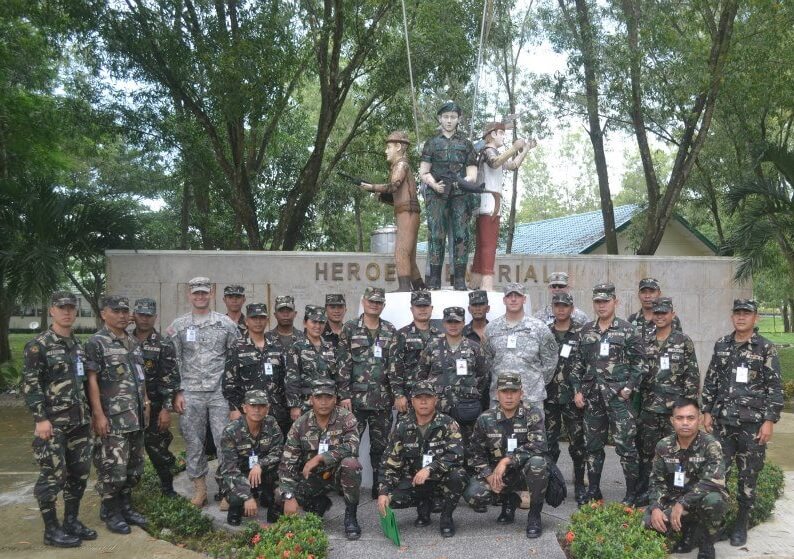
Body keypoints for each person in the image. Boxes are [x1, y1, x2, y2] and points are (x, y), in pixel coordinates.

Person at [702, 298, 783, 547]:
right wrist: (706, 410)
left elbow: (775, 388)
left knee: (748, 478)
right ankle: (721, 522)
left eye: (746, 313)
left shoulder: (765, 348)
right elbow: (711, 379)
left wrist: (769, 420)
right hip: (723, 423)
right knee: (719, 476)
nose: (741, 317)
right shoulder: (722, 344)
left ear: (755, 318)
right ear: (732, 316)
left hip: (752, 425)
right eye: (737, 313)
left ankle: (741, 524)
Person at [22, 291, 96, 548]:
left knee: (79, 473)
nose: (67, 312)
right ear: (51, 310)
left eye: (71, 308)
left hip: (80, 422)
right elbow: (31, 386)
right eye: (61, 307)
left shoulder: (77, 345)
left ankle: (71, 521)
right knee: (52, 476)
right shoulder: (38, 345)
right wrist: (40, 418)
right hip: (53, 424)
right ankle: (51, 529)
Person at [570, 282, 647, 505]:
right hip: (592, 399)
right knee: (593, 447)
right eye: (598, 301)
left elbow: (640, 365)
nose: (601, 305)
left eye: (606, 301)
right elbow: (576, 364)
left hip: (618, 400)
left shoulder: (628, 330)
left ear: (615, 301)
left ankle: (631, 494)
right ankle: (594, 491)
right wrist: (577, 391)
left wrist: (628, 389)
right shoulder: (586, 331)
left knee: (626, 448)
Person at [166, 277, 240, 507]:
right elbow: (174, 361)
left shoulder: (226, 324)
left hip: (219, 393)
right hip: (191, 394)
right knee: (194, 442)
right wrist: (177, 392)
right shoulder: (178, 326)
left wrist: (234, 398)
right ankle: (199, 489)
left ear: (211, 294)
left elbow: (234, 360)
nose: (200, 297)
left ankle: (226, 490)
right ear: (189, 295)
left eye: (204, 293)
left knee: (224, 442)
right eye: (196, 293)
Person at [84, 295, 149, 534]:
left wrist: (146, 400)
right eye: (116, 311)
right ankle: (111, 511)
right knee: (113, 469)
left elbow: (139, 376)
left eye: (125, 310)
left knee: (134, 468)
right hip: (113, 419)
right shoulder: (96, 343)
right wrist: (98, 414)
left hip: (136, 417)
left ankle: (125, 506)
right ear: (103, 314)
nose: (123, 315)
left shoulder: (132, 341)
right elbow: (91, 380)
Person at [377, 380, 467, 538]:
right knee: (392, 499)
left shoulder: (448, 424)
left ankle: (446, 517)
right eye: (419, 397)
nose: (423, 401)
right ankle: (423, 506)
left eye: (428, 397)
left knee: (458, 475)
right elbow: (389, 462)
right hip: (414, 481)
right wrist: (383, 492)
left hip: (440, 479)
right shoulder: (402, 426)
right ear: (412, 401)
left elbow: (456, 455)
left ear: (436, 400)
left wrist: (430, 468)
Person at [464, 372, 548, 538]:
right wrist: (488, 476)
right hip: (498, 475)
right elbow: (475, 455)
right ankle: (509, 501)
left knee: (538, 463)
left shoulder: (532, 413)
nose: (509, 396)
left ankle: (534, 516)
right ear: (497, 394)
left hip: (525, 472)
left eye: (513, 391)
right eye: (504, 391)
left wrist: (507, 460)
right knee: (474, 494)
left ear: (521, 393)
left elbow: (539, 445)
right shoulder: (485, 418)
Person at [644, 398, 728, 559]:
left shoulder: (710, 445)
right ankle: (688, 533)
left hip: (701, 499)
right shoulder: (664, 445)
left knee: (714, 502)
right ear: (672, 420)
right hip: (675, 499)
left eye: (690, 418)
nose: (685, 423)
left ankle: (707, 543)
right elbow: (656, 481)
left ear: (700, 420)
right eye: (679, 418)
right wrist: (655, 508)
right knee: (648, 524)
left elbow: (713, 481)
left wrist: (683, 503)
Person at [279, 379, 362, 540]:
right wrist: (288, 496)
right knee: (279, 497)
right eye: (319, 398)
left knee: (351, 464)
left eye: (328, 397)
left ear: (335, 399)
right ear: (311, 399)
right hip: (312, 477)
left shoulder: (346, 417)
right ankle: (318, 503)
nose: (323, 402)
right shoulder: (300, 424)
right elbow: (287, 463)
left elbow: (352, 446)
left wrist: (320, 457)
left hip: (338, 475)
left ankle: (351, 516)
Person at [635, 297, 699, 506]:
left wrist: (687, 410)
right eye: (657, 313)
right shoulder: (644, 340)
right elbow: (638, 373)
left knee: (677, 453)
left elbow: (692, 376)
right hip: (650, 407)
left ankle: (677, 492)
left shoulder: (683, 341)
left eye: (664, 313)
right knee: (648, 452)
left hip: (675, 411)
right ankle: (648, 491)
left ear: (673, 314)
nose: (660, 316)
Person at [336, 286, 398, 501]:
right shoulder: (350, 328)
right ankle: (349, 486)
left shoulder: (390, 330)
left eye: (379, 302)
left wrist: (397, 394)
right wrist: (343, 395)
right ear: (363, 302)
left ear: (383, 305)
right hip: (355, 401)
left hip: (382, 401)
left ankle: (378, 487)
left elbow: (394, 366)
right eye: (371, 301)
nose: (375, 304)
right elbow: (342, 364)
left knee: (380, 447)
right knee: (351, 445)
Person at [419, 100, 479, 290]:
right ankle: (435, 279)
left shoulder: (466, 144)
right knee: (436, 234)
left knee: (461, 234)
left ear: (459, 119)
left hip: (460, 194)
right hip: (437, 194)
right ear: (440, 118)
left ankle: (460, 279)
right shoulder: (431, 143)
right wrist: (434, 185)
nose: (449, 121)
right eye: (446, 117)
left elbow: (472, 173)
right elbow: (423, 171)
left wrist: (464, 182)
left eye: (453, 117)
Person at [470, 121, 533, 291]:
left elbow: (512, 165)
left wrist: (525, 149)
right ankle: (486, 284)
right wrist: (514, 148)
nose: (503, 136)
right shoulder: (488, 151)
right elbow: (495, 162)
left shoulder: (494, 152)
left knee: (483, 244)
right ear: (493, 134)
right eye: (501, 133)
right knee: (488, 245)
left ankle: (476, 281)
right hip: (488, 201)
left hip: (491, 201)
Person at [361, 131, 424, 291]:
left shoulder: (401, 165)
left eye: (388, 147)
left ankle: (404, 288)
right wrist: (381, 196)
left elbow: (394, 186)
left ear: (398, 147)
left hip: (407, 214)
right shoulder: (401, 165)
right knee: (409, 257)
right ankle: (420, 289)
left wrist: (372, 187)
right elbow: (398, 197)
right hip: (407, 212)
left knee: (401, 252)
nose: (386, 151)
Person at [418, 306, 488, 452]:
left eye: (457, 322)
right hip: (439, 410)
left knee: (468, 449)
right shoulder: (432, 347)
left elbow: (483, 376)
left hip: (466, 410)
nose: (453, 326)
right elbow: (421, 376)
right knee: (438, 448)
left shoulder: (474, 348)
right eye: (450, 322)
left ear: (463, 323)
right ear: (444, 323)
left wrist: (470, 393)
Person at [131, 298, 180, 498]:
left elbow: (169, 379)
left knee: (159, 451)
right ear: (134, 315)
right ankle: (127, 492)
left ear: (155, 317)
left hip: (156, 407)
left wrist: (166, 410)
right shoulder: (123, 341)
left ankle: (168, 488)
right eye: (141, 314)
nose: (144, 319)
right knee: (130, 452)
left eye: (148, 315)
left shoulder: (164, 344)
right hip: (129, 409)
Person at [482, 283, 558, 407]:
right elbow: (487, 360)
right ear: (504, 300)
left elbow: (551, 361)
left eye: (517, 296)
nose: (513, 299)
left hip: (531, 398)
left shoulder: (539, 328)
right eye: (509, 296)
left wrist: (534, 382)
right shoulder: (491, 329)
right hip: (500, 398)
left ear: (524, 299)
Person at [543, 293, 587, 504]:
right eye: (557, 305)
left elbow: (588, 363)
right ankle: (550, 485)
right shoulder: (545, 332)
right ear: (552, 307)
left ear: (572, 308)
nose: (560, 309)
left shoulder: (581, 332)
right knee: (549, 444)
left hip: (572, 398)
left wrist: (582, 390)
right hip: (549, 396)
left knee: (577, 444)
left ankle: (579, 485)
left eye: (565, 306)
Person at [223, 303, 291, 439]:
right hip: (249, 412)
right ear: (246, 321)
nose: (258, 321)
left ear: (267, 320)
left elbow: (285, 380)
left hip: (276, 412)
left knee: (276, 451)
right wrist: (234, 409)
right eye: (254, 318)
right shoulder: (237, 347)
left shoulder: (277, 346)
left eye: (261, 318)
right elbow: (229, 383)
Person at [220, 390, 283, 526]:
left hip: (263, 472)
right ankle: (236, 508)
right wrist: (247, 496)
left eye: (261, 406)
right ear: (244, 408)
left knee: (280, 491)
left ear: (267, 408)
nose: (257, 410)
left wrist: (259, 464)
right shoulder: (231, 431)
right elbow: (230, 468)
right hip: (239, 473)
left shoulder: (271, 423)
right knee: (237, 497)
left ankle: (273, 507)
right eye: (253, 405)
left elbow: (278, 452)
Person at [285, 306, 337, 419]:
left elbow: (335, 377)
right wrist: (295, 405)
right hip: (305, 404)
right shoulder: (296, 347)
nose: (317, 326)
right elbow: (292, 378)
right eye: (314, 322)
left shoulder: (330, 348)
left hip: (327, 404)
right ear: (305, 323)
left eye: (321, 322)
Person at [393, 290, 439, 416]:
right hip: (410, 396)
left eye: (425, 306)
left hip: (435, 397)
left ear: (431, 308)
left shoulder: (441, 336)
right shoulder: (401, 335)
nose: (422, 310)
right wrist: (398, 395)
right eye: (419, 306)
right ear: (412, 309)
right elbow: (395, 367)